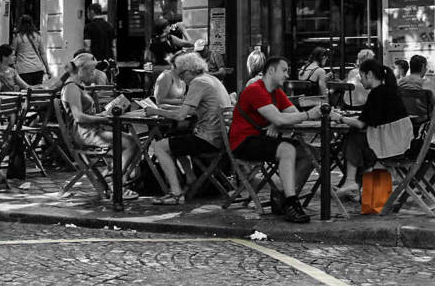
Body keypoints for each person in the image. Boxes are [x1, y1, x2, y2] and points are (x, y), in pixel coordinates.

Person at [227, 55, 322, 223]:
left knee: (310, 153)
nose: (287, 75)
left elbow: (290, 114)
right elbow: (283, 117)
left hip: (261, 138)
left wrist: (277, 123)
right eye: (284, 71)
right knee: (287, 149)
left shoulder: (276, 92)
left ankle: (282, 196)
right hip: (243, 142)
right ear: (271, 71)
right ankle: (291, 202)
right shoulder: (256, 89)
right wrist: (307, 114)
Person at [147, 52, 230, 205]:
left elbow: (180, 116)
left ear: (189, 70)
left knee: (159, 146)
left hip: (208, 138)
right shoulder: (212, 79)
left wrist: (155, 111)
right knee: (177, 134)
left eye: (181, 75)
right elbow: (192, 111)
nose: (181, 79)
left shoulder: (198, 83)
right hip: (222, 138)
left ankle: (176, 194)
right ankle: (190, 178)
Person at [60, 52, 139, 197]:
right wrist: (102, 119)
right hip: (84, 134)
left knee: (131, 142)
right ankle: (117, 185)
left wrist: (102, 114)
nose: (93, 75)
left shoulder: (79, 86)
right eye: (91, 72)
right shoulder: (71, 88)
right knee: (130, 143)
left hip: (92, 130)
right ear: (81, 69)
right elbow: (78, 117)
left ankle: (118, 181)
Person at [337, 60, 413, 197]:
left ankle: (351, 181)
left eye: (361, 76)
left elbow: (361, 124)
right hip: (403, 142)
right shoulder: (389, 90)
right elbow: (371, 121)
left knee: (354, 136)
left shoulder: (376, 93)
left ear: (369, 74)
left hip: (392, 147)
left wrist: (339, 118)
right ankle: (358, 186)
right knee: (359, 140)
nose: (361, 80)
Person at [11, 14, 48, 85]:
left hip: (23, 70)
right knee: (36, 92)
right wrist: (47, 69)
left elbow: (12, 54)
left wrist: (12, 67)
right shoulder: (37, 36)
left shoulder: (17, 37)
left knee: (25, 92)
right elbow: (43, 54)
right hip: (38, 69)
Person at [397, 54, 434, 121]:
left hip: (404, 121)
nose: (426, 69)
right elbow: (434, 102)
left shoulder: (400, 82)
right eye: (426, 67)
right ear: (423, 67)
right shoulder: (427, 83)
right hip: (423, 122)